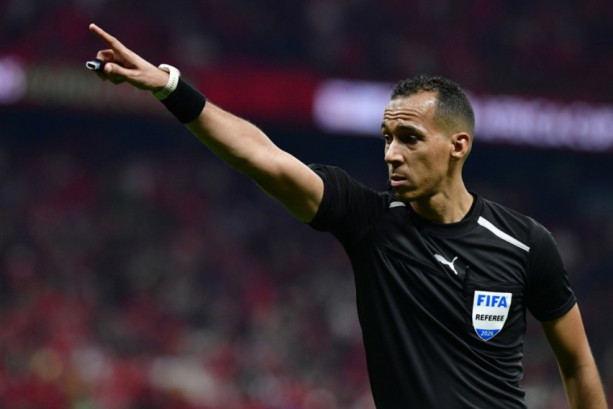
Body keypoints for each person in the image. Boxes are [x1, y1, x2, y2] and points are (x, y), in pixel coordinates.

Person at [87, 23, 608, 409]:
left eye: (409, 138)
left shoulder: (525, 243)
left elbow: (578, 364)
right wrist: (171, 87)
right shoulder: (370, 221)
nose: (391, 154)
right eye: (386, 138)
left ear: (458, 145)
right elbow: (263, 157)